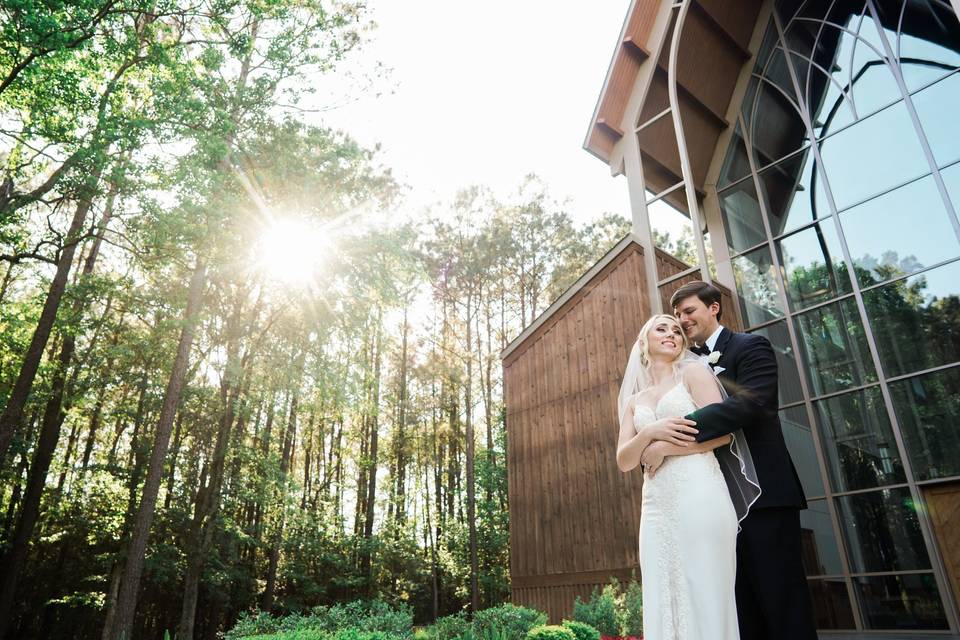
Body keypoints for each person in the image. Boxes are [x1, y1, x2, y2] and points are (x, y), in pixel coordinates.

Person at [665, 280, 817, 640]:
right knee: (738, 605)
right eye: (676, 315)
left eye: (689, 311)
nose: (682, 320)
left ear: (713, 307)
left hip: (766, 495)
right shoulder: (681, 368)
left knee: (782, 600)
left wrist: (671, 431)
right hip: (715, 503)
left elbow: (754, 403)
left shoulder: (750, 347)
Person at [616, 313, 760, 640]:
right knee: (661, 590)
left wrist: (664, 448)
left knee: (704, 586)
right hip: (655, 505)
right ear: (644, 342)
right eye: (662, 328)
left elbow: (723, 435)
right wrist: (648, 433)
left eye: (677, 331)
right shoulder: (634, 401)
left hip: (699, 490)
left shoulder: (693, 373)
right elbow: (624, 460)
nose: (672, 334)